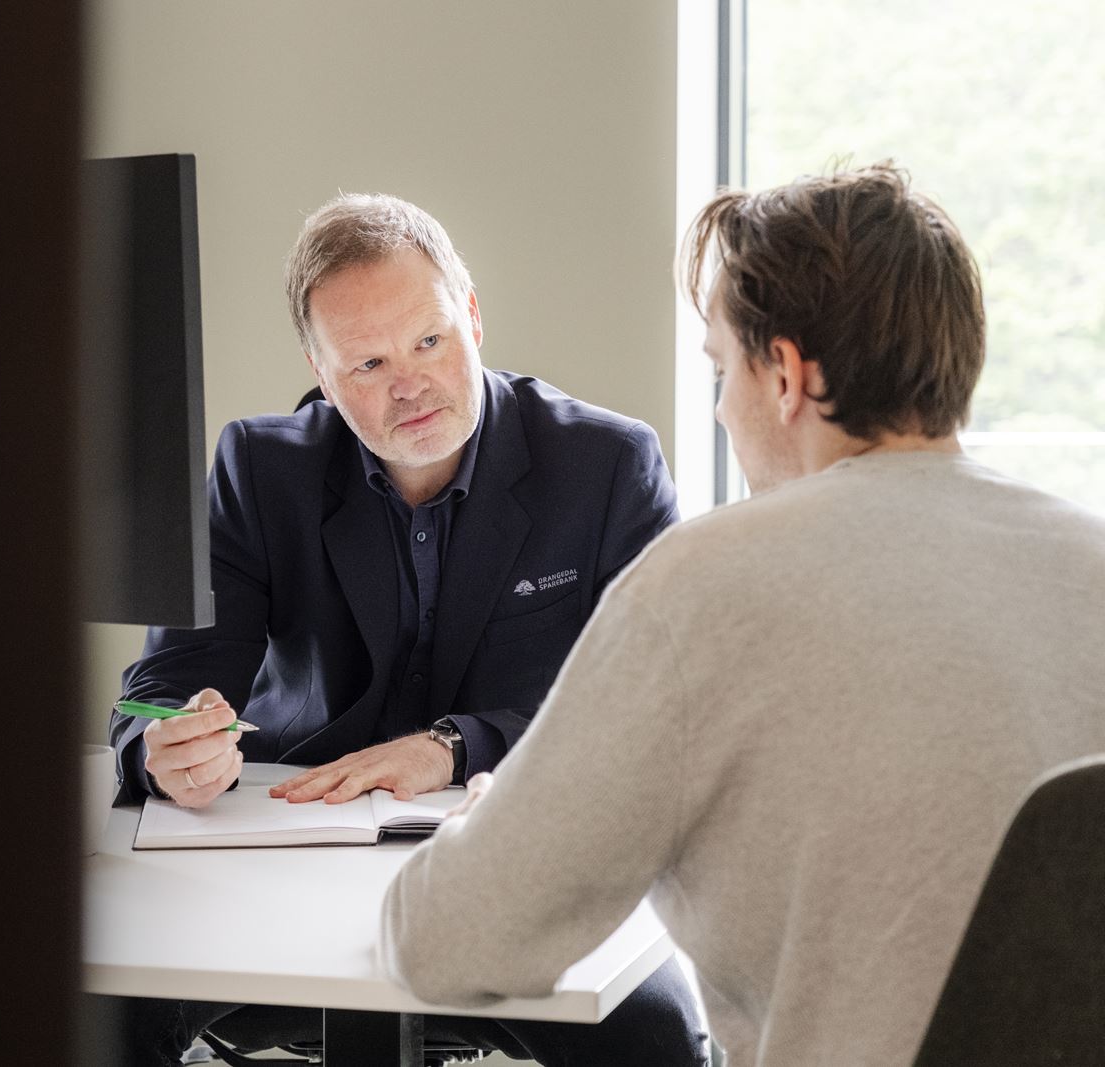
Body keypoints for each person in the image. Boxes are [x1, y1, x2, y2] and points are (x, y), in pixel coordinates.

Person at [379, 162, 1105, 1066]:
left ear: (788, 376)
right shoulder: (1092, 561)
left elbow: (443, 943)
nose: (722, 408)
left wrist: (490, 822)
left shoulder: (702, 585)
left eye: (723, 370)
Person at [106, 193, 707, 1065]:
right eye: (368, 362)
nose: (409, 385)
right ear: (320, 371)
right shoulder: (260, 468)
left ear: (472, 314)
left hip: (520, 866)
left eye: (429, 340)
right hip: (288, 859)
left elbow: (661, 716)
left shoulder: (608, 465)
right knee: (91, 1017)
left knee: (660, 1041)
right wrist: (163, 750)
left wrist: (455, 745)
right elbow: (162, 688)